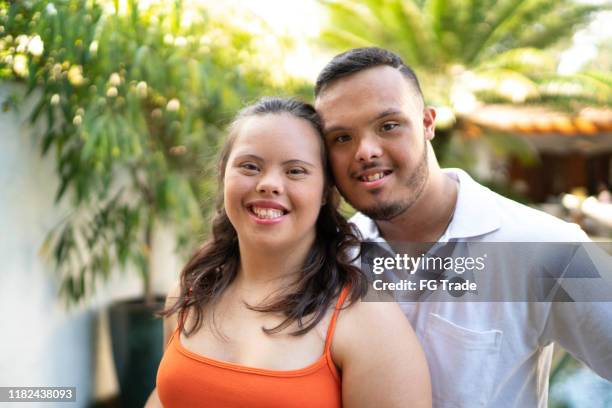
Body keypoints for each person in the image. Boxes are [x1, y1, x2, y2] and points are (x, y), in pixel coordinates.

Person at [314, 47, 612, 407]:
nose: (366, 150)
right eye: (341, 138)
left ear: (427, 123)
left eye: (388, 125)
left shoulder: (552, 247)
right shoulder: (332, 259)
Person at [144, 97, 431, 408]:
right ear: (223, 174)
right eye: (250, 166)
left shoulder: (368, 321)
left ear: (325, 192)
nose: (268, 184)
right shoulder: (190, 292)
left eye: (295, 171)